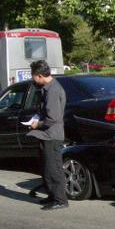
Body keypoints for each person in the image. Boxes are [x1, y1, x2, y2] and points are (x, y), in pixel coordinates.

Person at [28, 60, 68, 211]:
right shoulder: (46, 89)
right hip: (46, 135)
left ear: (39, 76)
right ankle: (52, 195)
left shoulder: (53, 90)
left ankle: (60, 199)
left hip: (52, 136)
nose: (33, 80)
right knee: (46, 168)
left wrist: (36, 124)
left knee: (53, 169)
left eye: (33, 77)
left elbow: (53, 118)